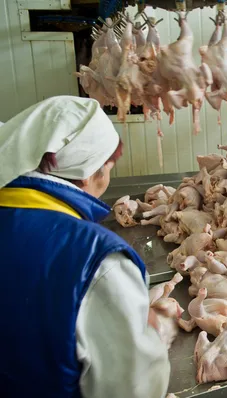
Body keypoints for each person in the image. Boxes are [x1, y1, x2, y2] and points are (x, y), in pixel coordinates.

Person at [0, 96, 170, 397]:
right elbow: (135, 389)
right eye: (110, 165)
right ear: (94, 172)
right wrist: (152, 334)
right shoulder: (97, 260)